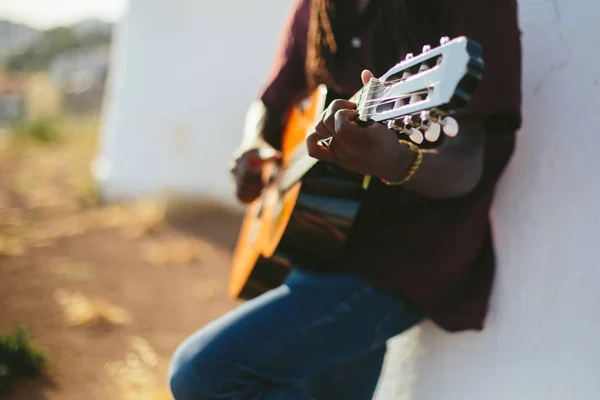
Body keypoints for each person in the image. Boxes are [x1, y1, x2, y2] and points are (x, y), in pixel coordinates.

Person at [169, 0, 522, 399]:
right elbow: (272, 98)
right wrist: (252, 143)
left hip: (401, 258)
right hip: (315, 237)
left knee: (203, 373)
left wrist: (395, 160)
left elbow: (466, 167)